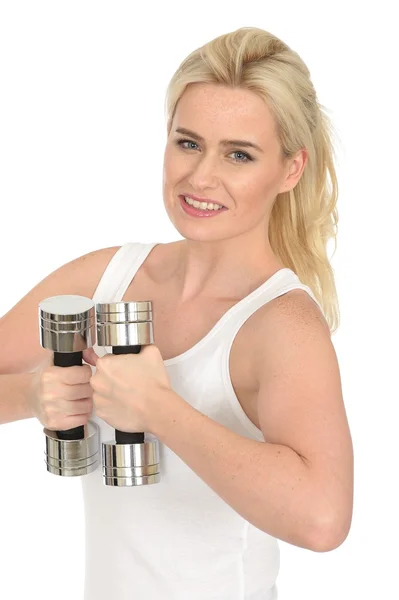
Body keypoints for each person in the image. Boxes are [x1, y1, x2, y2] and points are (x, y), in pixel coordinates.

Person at [0, 26, 353, 600]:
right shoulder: (107, 279)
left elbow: (322, 519)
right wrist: (33, 396)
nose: (200, 177)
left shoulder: (280, 325)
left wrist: (159, 410)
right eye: (188, 143)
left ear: (290, 170)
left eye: (239, 154)